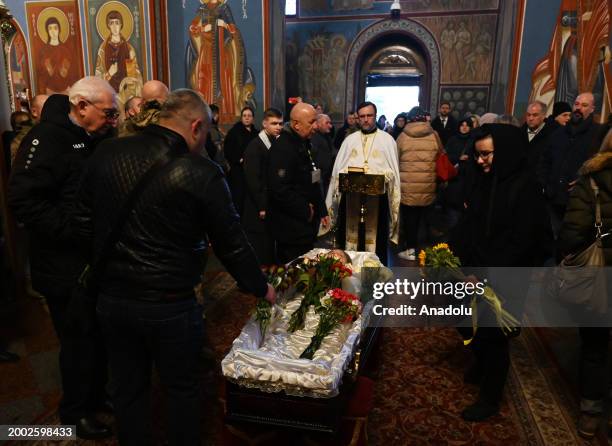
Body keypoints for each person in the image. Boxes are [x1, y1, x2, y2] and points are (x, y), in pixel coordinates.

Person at [74, 89, 275, 445]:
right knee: (181, 388)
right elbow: (231, 243)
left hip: (113, 299)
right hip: (170, 304)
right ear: (196, 126)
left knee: (127, 387)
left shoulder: (107, 151)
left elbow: (82, 219)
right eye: (208, 132)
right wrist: (260, 286)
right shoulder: (202, 172)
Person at [8, 76, 119, 439]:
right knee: (77, 342)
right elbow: (24, 201)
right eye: (107, 112)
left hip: (91, 262)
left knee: (98, 336)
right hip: (61, 265)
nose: (112, 119)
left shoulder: (92, 135)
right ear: (81, 106)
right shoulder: (46, 139)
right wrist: (74, 230)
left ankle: (97, 398)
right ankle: (75, 412)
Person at [451, 124, 551, 422]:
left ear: (504, 152)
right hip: (478, 268)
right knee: (465, 320)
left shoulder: (525, 186)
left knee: (495, 335)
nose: (480, 161)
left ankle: (490, 397)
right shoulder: (486, 179)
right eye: (478, 155)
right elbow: (472, 223)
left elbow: (523, 241)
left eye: (486, 155)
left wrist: (484, 276)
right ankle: (480, 363)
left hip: (507, 274)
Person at [559, 129, 612, 439]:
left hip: (597, 276)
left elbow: (572, 232)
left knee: (594, 345)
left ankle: (590, 414)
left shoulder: (590, 181)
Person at [326, 101, 400, 265]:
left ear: (375, 116)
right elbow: (338, 170)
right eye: (362, 116)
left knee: (376, 240)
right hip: (351, 199)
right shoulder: (349, 140)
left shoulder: (388, 140)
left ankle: (375, 275)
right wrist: (344, 175)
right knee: (350, 239)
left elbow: (393, 172)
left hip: (377, 201)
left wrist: (385, 176)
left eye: (369, 115)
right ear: (357, 118)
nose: (366, 120)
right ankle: (348, 273)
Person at [267, 102, 330, 263]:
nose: (316, 126)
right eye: (311, 122)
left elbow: (313, 178)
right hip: (291, 227)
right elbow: (279, 189)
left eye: (316, 121)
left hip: (305, 225)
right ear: (296, 125)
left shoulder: (304, 141)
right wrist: (305, 209)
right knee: (293, 273)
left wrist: (321, 210)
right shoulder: (284, 148)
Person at [539, 92, 607, 239]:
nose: (578, 108)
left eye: (584, 105)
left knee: (575, 242)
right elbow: (545, 161)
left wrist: (585, 182)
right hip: (554, 198)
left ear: (592, 109)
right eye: (576, 104)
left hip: (582, 201)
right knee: (555, 240)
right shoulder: (558, 133)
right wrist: (546, 185)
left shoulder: (599, 133)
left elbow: (602, 164)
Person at [396, 107, 441, 260]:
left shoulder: (403, 136)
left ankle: (410, 250)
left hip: (408, 187)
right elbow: (441, 155)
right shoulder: (434, 135)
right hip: (428, 185)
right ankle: (428, 252)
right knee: (427, 220)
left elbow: (395, 158)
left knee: (410, 221)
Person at [243, 107, 284, 264]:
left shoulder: (274, 141)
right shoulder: (255, 146)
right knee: (260, 249)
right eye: (274, 123)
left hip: (269, 202)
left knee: (268, 246)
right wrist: (262, 206)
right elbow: (253, 180)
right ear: (264, 124)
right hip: (257, 205)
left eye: (280, 123)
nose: (278, 127)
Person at [95, 10, 142, 92]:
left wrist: (129, 81)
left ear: (121, 25)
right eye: (111, 23)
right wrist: (109, 74)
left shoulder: (128, 49)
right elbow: (97, 79)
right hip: (108, 94)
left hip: (126, 93)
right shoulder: (103, 50)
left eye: (117, 23)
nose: (114, 26)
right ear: (108, 25)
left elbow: (134, 75)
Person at [224, 106, 258, 215]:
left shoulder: (256, 133)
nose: (247, 118)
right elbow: (228, 150)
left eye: (249, 116)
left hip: (252, 170)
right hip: (238, 171)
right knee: (238, 198)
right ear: (241, 118)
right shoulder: (234, 132)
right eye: (244, 116)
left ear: (253, 118)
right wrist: (239, 159)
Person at [37, 17, 78, 94]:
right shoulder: (43, 51)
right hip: (50, 91)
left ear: (59, 30)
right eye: (50, 29)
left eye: (55, 28)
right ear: (47, 31)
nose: (53, 31)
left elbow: (72, 73)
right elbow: (41, 75)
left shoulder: (66, 50)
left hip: (66, 90)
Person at [522, 101, 555, 181]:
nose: (531, 118)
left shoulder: (552, 135)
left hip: (539, 181)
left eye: (535, 115)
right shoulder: (520, 133)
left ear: (543, 116)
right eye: (528, 115)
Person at [311, 113, 335, 197]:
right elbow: (312, 158)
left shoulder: (326, 136)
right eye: (327, 123)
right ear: (318, 123)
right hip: (317, 175)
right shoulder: (313, 136)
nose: (330, 126)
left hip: (325, 175)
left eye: (330, 123)